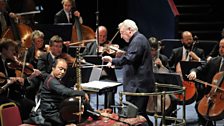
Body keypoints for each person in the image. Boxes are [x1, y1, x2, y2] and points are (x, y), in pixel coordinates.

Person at [102, 19, 155, 126]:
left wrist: (112, 60)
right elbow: (133, 58)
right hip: (137, 85)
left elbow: (129, 59)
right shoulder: (137, 40)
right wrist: (122, 55)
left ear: (129, 30)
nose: (121, 36)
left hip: (138, 86)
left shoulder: (138, 40)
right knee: (140, 115)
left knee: (137, 116)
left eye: (122, 33)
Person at [40, 58, 97, 125]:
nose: (63, 72)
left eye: (64, 70)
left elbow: (65, 90)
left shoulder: (55, 79)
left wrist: (75, 90)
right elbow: (64, 91)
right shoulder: (51, 80)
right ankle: (94, 114)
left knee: (80, 106)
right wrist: (82, 93)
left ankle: (93, 113)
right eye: (60, 69)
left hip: (57, 108)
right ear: (53, 68)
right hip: (52, 113)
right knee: (76, 120)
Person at [0, 38, 41, 120]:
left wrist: (26, 79)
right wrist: (11, 80)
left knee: (31, 104)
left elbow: (16, 84)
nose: (14, 53)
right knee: (17, 106)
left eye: (14, 50)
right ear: (4, 50)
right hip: (2, 95)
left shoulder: (9, 64)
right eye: (11, 50)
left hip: (11, 94)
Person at [187, 38, 224, 126]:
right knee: (198, 106)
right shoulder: (213, 61)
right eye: (220, 47)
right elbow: (199, 69)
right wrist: (193, 72)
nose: (221, 49)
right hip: (215, 95)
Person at [82, 25, 117, 108]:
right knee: (83, 87)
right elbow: (83, 58)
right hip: (92, 75)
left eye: (104, 36)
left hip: (106, 75)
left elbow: (115, 60)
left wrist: (111, 63)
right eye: (100, 36)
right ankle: (87, 109)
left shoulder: (109, 47)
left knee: (110, 87)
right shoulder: (90, 45)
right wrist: (86, 62)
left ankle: (109, 110)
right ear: (95, 35)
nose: (102, 38)